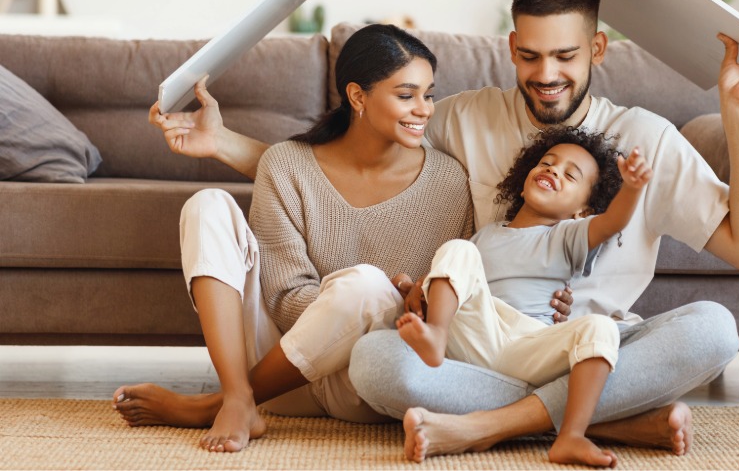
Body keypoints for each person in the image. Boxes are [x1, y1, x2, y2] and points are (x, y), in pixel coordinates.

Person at [144, 0, 739, 459]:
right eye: (530, 55)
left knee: (713, 330)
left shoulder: (645, 138)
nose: (547, 73)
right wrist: (222, 144)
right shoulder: (464, 117)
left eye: (565, 56)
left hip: (595, 348)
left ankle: (491, 427)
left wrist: (737, 108)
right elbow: (344, 159)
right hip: (479, 351)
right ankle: (599, 419)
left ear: (599, 49)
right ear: (511, 46)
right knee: (375, 362)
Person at [112, 24, 473, 453]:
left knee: (365, 286)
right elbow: (283, 299)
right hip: (282, 369)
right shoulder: (286, 164)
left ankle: (219, 404)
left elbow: (449, 295)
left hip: (365, 378)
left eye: (429, 94)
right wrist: (341, 304)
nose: (424, 109)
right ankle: (237, 393)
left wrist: (402, 299)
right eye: (406, 95)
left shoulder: (449, 181)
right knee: (207, 204)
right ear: (358, 96)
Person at [395, 126, 651, 466]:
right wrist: (412, 287)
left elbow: (613, 222)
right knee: (457, 248)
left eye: (570, 175)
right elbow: (452, 276)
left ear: (583, 211)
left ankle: (571, 436)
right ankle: (436, 336)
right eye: (547, 162)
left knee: (600, 328)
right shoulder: (485, 235)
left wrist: (632, 189)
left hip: (527, 343)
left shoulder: (566, 236)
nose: (553, 170)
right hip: (475, 334)